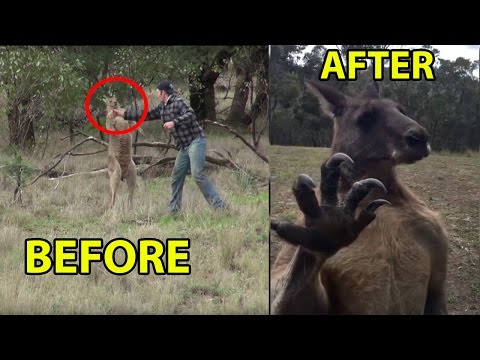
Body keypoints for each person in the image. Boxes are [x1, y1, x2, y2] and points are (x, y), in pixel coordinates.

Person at [111, 80, 227, 215]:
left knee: (197, 174)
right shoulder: (162, 107)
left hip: (196, 141)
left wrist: (174, 122)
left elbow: (190, 114)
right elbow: (145, 115)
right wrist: (122, 114)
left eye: (158, 93)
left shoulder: (178, 102)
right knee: (177, 176)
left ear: (164, 93)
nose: (157, 95)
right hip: (184, 147)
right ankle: (174, 210)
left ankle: (220, 207)